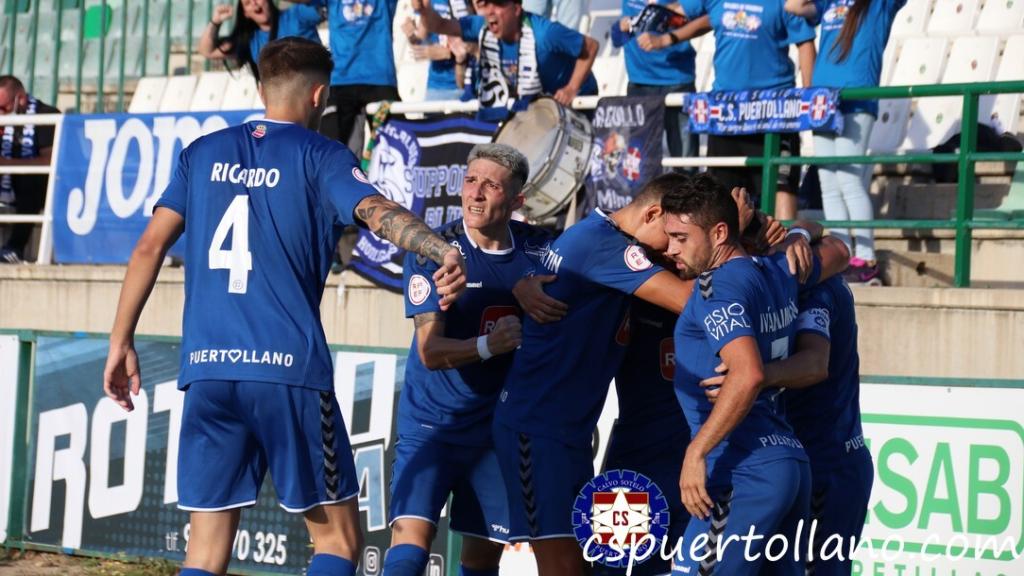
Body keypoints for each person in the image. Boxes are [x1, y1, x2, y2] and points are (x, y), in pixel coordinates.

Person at [102, 38, 467, 576]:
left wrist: (120, 342)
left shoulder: (201, 153)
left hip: (206, 371)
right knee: (338, 542)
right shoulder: (321, 155)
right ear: (320, 95)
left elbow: (148, 247)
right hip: (287, 371)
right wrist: (440, 247)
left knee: (202, 553)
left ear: (260, 88)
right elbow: (375, 211)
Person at [491, 173, 698, 576]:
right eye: (673, 236)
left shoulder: (594, 235)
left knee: (582, 566)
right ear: (652, 213)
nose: (674, 250)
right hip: (536, 427)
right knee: (564, 566)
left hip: (566, 432)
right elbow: (690, 301)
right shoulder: (607, 246)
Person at [384, 143, 562, 575]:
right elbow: (430, 352)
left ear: (517, 201)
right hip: (432, 424)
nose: (476, 194)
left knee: (482, 558)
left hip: (496, 433)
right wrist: (488, 346)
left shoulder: (541, 251)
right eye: (470, 181)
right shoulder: (434, 251)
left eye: (491, 185)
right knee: (410, 544)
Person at [661, 174, 848, 575]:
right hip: (788, 464)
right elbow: (839, 249)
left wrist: (696, 453)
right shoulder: (779, 269)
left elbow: (745, 374)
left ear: (722, 231)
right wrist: (798, 231)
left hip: (741, 469)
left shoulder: (717, 289)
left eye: (680, 237)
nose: (670, 248)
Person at [703, 271, 871, 576]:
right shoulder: (775, 279)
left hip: (828, 464)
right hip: (795, 463)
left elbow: (815, 364)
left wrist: (751, 377)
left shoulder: (814, 287)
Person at [786, 0, 906, 283]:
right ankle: (841, 254)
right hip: (823, 101)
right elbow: (793, 5)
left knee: (849, 181)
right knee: (829, 185)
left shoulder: (879, 4)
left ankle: (866, 258)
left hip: (856, 99)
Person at [675, 0, 817, 219]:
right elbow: (689, 13)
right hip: (725, 113)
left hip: (774, 112)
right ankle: (729, 252)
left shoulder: (786, 3)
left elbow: (805, 43)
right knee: (723, 194)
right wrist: (667, 37)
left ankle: (785, 250)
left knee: (782, 187)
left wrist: (810, 95)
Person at [595, 297, 691, 576]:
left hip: (701, 474)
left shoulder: (727, 289)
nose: (675, 250)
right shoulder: (625, 288)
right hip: (630, 474)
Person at [411, 0, 598, 108]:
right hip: (538, 102)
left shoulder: (544, 33)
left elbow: (590, 46)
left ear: (516, 9)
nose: (490, 12)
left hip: (577, 101)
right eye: (487, 3)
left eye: (498, 4)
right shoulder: (481, 25)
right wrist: (423, 11)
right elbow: (440, 25)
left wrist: (572, 88)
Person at [618, 3, 709, 160]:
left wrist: (666, 38)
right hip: (639, 83)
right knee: (639, 161)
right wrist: (620, 27)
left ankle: (686, 185)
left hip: (679, 81)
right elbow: (617, 33)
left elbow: (710, 17)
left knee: (685, 162)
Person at [0, 75, 60, 264]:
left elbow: (51, 160)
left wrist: (8, 165)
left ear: (21, 99)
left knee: (29, 180)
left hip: (41, 187)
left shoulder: (46, 115)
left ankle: (15, 248)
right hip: (9, 183)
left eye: (4, 108)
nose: (1, 114)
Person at [198, 0, 325, 82]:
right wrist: (216, 22)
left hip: (318, 90)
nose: (254, 3)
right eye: (247, 3)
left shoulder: (296, 15)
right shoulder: (249, 40)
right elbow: (207, 51)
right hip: (282, 105)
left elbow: (327, 8)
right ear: (245, 13)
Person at [402, 0, 476, 101]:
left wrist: (448, 53)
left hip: (467, 82)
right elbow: (419, 40)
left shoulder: (469, 3)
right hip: (436, 85)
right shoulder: (431, 2)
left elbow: (479, 34)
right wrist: (410, 34)